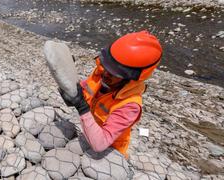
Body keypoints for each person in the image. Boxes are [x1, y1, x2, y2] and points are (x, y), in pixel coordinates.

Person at [59, 30, 163, 158]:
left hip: (110, 149)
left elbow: (99, 144)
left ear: (131, 77)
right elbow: (85, 90)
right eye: (106, 67)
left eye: (115, 73)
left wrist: (82, 107)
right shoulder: (104, 72)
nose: (106, 74)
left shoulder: (130, 106)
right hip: (88, 131)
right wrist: (71, 89)